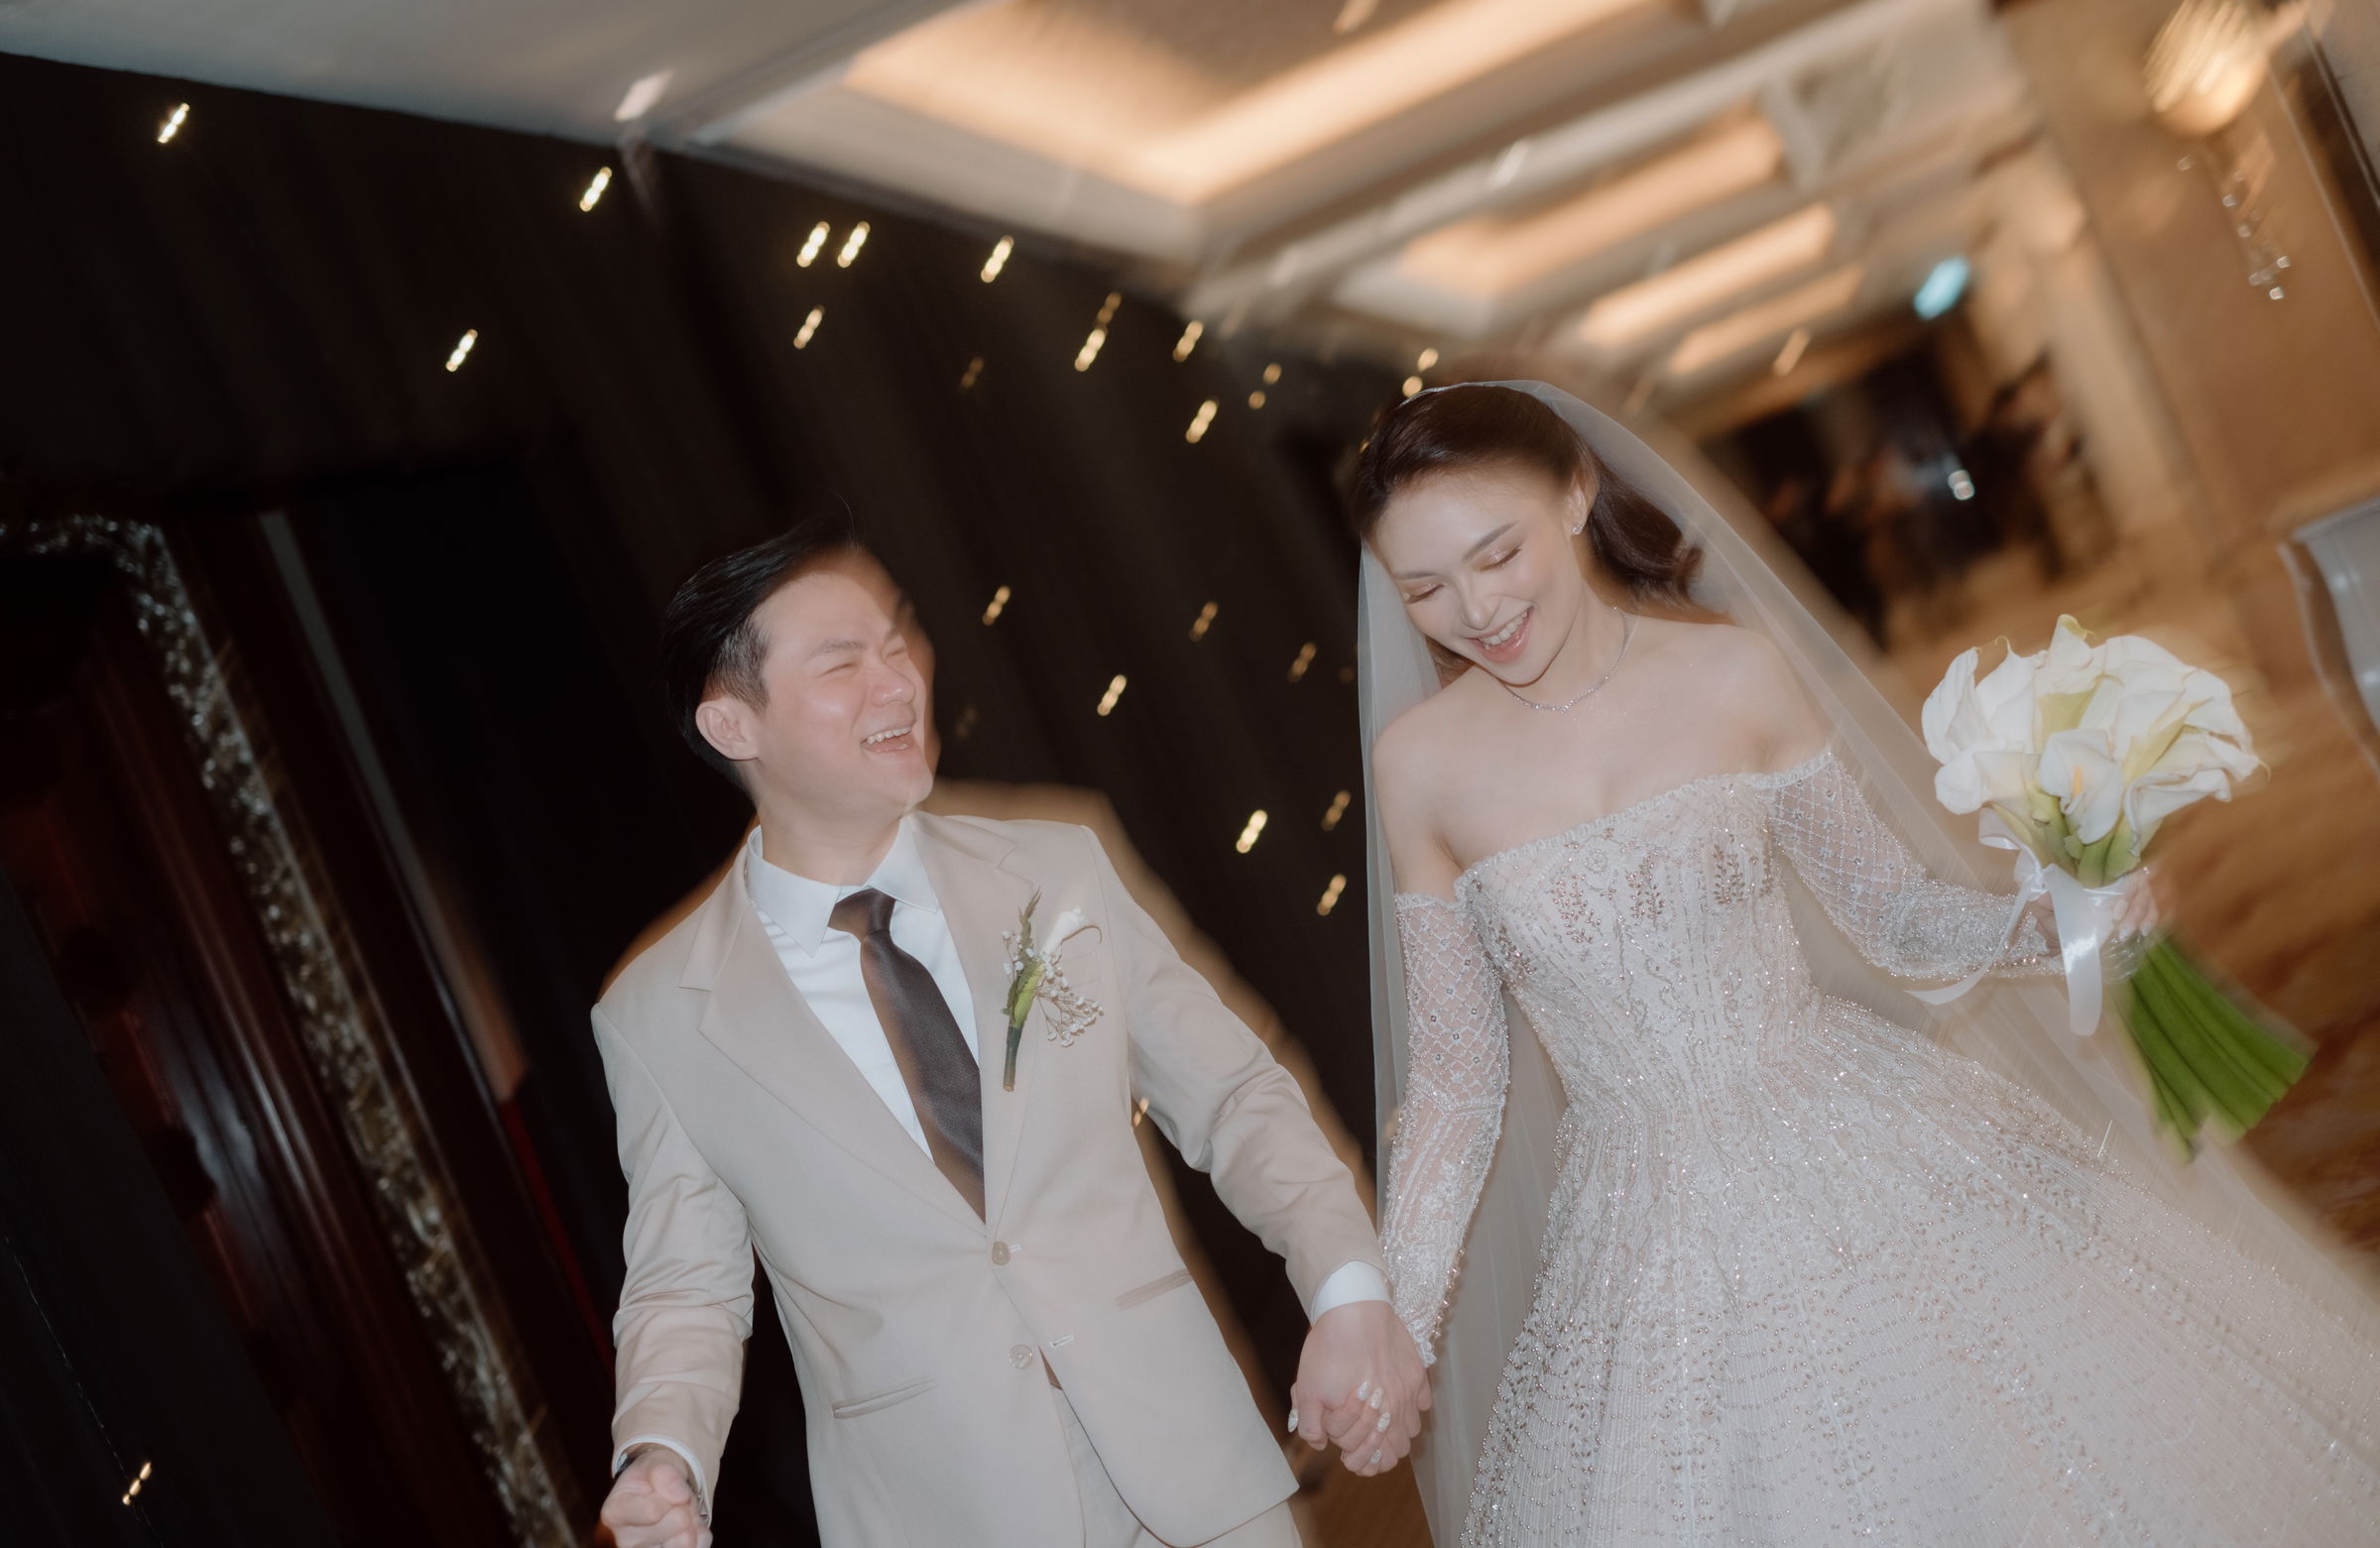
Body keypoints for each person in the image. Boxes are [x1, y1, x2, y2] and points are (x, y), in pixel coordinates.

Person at [1356, 380, 2380, 1545]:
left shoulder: (1735, 675)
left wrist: (2053, 923)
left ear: (1578, 493)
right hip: (1643, 1232)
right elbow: (1456, 1082)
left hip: (1845, 1133)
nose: (1476, 610)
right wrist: (1395, 1320)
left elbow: (1890, 914)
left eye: (1497, 555)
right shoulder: (1419, 764)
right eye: (1424, 589)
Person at [593, 519, 1426, 1548]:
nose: (899, 682)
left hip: (1192, 1469)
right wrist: (661, 1452)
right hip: (942, 1512)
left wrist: (1348, 1289)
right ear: (732, 725)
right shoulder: (659, 1012)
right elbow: (686, 1284)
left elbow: (1236, 1096)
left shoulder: (1059, 864)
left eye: (898, 641)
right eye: (844, 663)